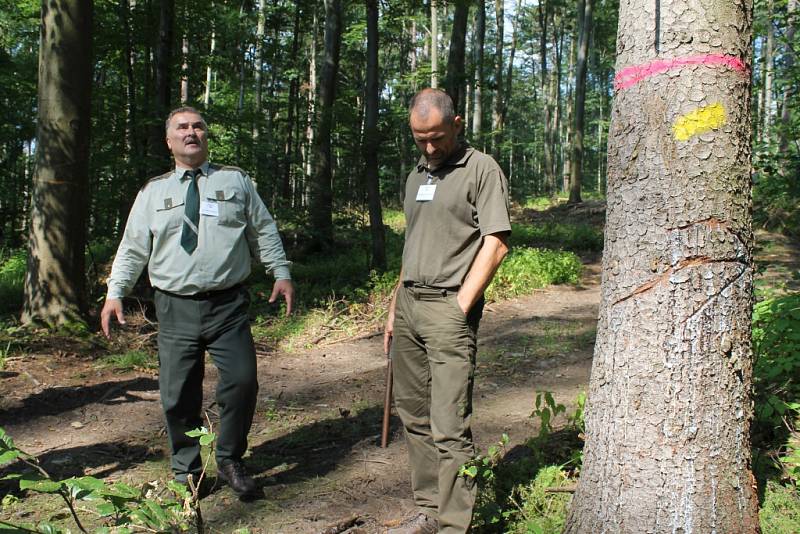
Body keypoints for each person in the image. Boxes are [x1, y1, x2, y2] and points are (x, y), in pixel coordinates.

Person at [101, 106, 294, 497]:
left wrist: (281, 272)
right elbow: (133, 248)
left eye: (198, 126)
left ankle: (229, 458)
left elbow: (263, 229)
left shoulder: (235, 181)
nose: (191, 132)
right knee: (177, 394)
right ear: (169, 140)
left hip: (227, 305)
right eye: (182, 127)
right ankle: (187, 470)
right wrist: (114, 292)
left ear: (207, 135)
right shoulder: (153, 192)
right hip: (174, 307)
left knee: (242, 381)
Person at [384, 89, 511, 533]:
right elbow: (413, 243)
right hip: (410, 306)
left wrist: (461, 305)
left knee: (449, 423)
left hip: (449, 309)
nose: (430, 148)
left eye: (437, 137)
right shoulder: (416, 176)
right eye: (420, 139)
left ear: (457, 124)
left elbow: (496, 243)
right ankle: (428, 509)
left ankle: (456, 524)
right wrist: (395, 305)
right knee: (413, 415)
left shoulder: (480, 169)